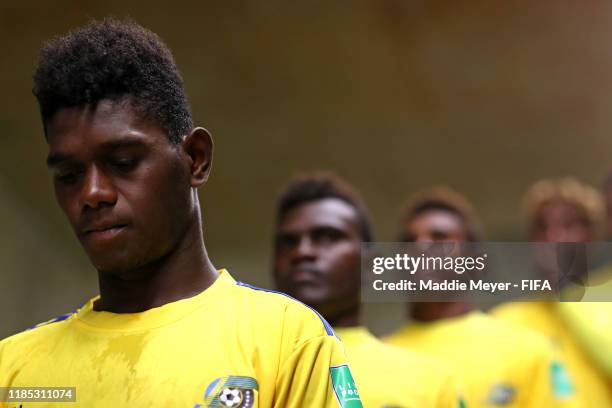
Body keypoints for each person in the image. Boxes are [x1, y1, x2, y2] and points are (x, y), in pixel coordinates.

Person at [0, 19, 362, 408]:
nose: (92, 193)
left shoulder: (289, 343)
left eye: (122, 162)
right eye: (69, 175)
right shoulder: (13, 372)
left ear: (195, 159)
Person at [272, 173, 465, 408]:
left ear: (371, 263)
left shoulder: (431, 383)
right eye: (288, 242)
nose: (302, 252)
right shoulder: (244, 367)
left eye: (328, 237)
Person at [384, 187, 577, 408]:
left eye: (440, 238)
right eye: (409, 241)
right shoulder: (378, 360)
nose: (420, 248)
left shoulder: (527, 349)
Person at [491, 177, 612, 407]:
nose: (554, 237)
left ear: (593, 238)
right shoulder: (505, 321)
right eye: (542, 227)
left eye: (569, 225)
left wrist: (568, 290)